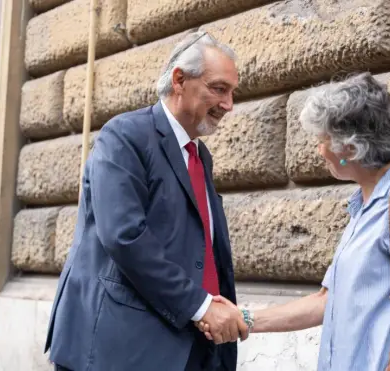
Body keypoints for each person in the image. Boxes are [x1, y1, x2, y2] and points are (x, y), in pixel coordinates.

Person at [198, 72, 390, 371]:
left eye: (323, 139)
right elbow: (326, 302)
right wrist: (244, 319)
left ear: (350, 146)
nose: (319, 149)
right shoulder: (365, 206)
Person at [44, 31, 249, 371]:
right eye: (219, 89)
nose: (229, 104)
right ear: (179, 80)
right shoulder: (124, 136)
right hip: (122, 348)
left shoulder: (199, 156)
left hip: (190, 343)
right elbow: (125, 236)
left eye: (231, 92)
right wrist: (200, 306)